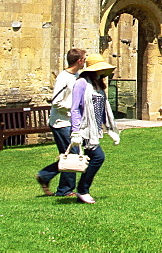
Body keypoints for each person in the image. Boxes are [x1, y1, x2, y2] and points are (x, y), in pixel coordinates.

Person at [69, 53, 120, 204]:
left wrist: (110, 129)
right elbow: (75, 108)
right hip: (85, 129)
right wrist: (76, 131)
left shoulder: (98, 84)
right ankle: (82, 190)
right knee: (98, 157)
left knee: (93, 158)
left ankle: (82, 190)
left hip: (95, 129)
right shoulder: (81, 83)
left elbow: (102, 108)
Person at [36, 48, 85, 197]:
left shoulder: (77, 76)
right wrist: (74, 109)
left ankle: (45, 176)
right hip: (60, 122)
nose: (85, 61)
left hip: (70, 122)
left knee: (70, 154)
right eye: (84, 59)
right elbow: (56, 101)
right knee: (72, 155)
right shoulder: (63, 78)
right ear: (79, 61)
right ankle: (64, 190)